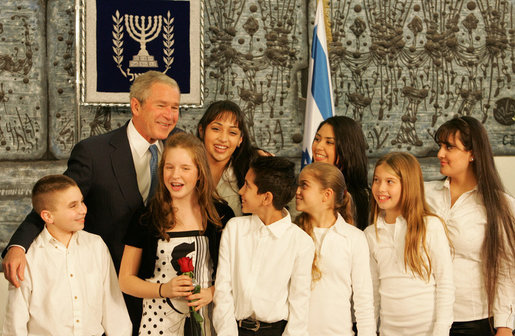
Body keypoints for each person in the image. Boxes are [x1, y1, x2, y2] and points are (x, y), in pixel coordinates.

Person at [2, 70, 181, 334]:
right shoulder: (94, 152)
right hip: (112, 287)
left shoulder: (179, 149)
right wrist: (18, 246)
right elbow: (56, 202)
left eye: (175, 107)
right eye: (161, 105)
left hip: (168, 290)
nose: (170, 115)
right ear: (136, 105)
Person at [119, 133, 234, 335]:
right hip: (158, 323)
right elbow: (125, 280)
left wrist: (212, 293)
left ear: (200, 172)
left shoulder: (221, 215)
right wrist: (164, 289)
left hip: (209, 323)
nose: (175, 175)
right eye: (169, 167)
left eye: (185, 168)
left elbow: (237, 275)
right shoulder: (146, 217)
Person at [3, 175, 131, 335]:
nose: (83, 209)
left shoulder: (96, 245)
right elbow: (15, 322)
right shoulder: (29, 256)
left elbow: (114, 308)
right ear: (48, 216)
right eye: (73, 206)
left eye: (82, 201)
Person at [425, 116, 515, 336]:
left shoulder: (500, 204)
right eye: (440, 146)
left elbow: (506, 271)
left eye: (449, 147)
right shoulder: (424, 195)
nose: (440, 154)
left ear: (472, 154)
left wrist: (504, 326)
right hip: (424, 316)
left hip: (473, 320)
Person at [213, 156, 315, 335]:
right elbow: (223, 290)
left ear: (267, 198)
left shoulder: (301, 242)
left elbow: (299, 306)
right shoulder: (235, 229)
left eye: (247, 186)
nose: (241, 191)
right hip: (235, 329)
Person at [364, 152, 454, 336]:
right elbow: (372, 292)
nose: (380, 188)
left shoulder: (430, 226)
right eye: (376, 180)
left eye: (390, 181)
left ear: (408, 185)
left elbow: (445, 283)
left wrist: (441, 331)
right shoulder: (370, 234)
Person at [295, 162, 375, 336]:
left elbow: (364, 301)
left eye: (304, 185)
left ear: (327, 195)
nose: (297, 191)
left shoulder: (354, 238)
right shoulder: (293, 234)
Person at [197, 100, 259, 216]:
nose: (223, 139)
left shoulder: (248, 173)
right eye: (216, 129)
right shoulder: (184, 168)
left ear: (240, 140)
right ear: (202, 131)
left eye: (232, 132)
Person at [312, 116, 370, 230]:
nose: (318, 146)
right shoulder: (305, 188)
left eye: (329, 142)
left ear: (347, 148)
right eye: (317, 139)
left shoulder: (359, 198)